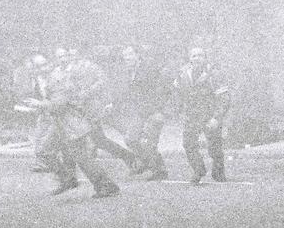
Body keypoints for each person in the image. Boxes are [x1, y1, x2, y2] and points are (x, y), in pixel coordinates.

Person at [23, 52, 120, 198]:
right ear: (32, 68)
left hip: (71, 123)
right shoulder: (42, 79)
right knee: (45, 152)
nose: (44, 68)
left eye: (45, 64)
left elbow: (60, 104)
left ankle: (106, 186)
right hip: (61, 123)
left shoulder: (57, 77)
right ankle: (69, 180)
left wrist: (39, 105)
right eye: (39, 66)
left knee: (81, 157)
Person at [175, 46, 229, 183]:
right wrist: (179, 111)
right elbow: (177, 95)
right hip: (191, 116)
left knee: (214, 146)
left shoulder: (214, 75)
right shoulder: (182, 74)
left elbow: (224, 98)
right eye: (194, 56)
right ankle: (198, 170)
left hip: (209, 115)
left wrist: (216, 118)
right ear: (189, 59)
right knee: (188, 144)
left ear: (205, 58)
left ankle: (218, 171)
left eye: (200, 55)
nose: (197, 58)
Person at [119, 45, 171, 181]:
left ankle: (160, 170)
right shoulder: (128, 72)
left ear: (137, 55)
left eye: (130, 54)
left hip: (154, 111)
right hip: (139, 112)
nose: (127, 57)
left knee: (149, 142)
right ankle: (145, 163)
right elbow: (127, 93)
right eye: (124, 55)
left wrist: (159, 109)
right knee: (131, 139)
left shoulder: (149, 69)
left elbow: (162, 90)